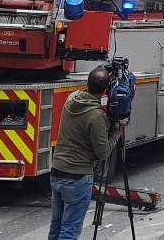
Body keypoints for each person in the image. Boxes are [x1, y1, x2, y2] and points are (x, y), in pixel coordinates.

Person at [49, 66, 127, 240]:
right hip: (77, 177)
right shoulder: (96, 117)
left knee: (57, 224)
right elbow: (102, 152)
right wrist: (117, 130)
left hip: (57, 172)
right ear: (107, 89)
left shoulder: (72, 99)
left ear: (87, 83)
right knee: (69, 230)